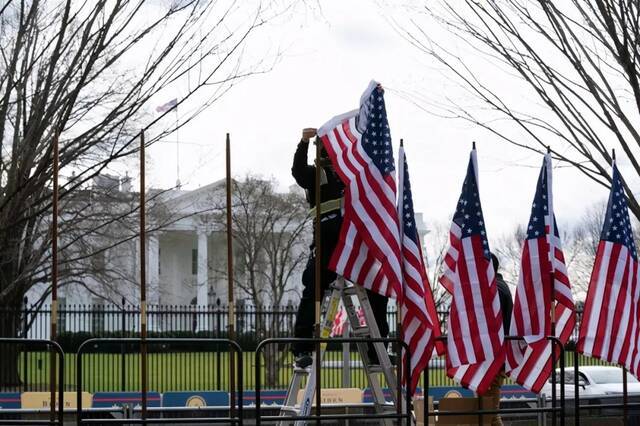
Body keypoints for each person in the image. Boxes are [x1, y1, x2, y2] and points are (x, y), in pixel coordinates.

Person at [291, 127, 389, 368]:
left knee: (377, 288)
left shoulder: (351, 175)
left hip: (355, 240)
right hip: (327, 241)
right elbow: (298, 171)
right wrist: (303, 142)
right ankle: (301, 348)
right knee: (313, 290)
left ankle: (377, 349)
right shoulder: (317, 175)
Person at [484, 253, 514, 426]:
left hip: (493, 357)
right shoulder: (501, 286)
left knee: (489, 413)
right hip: (497, 357)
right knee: (488, 411)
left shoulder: (495, 289)